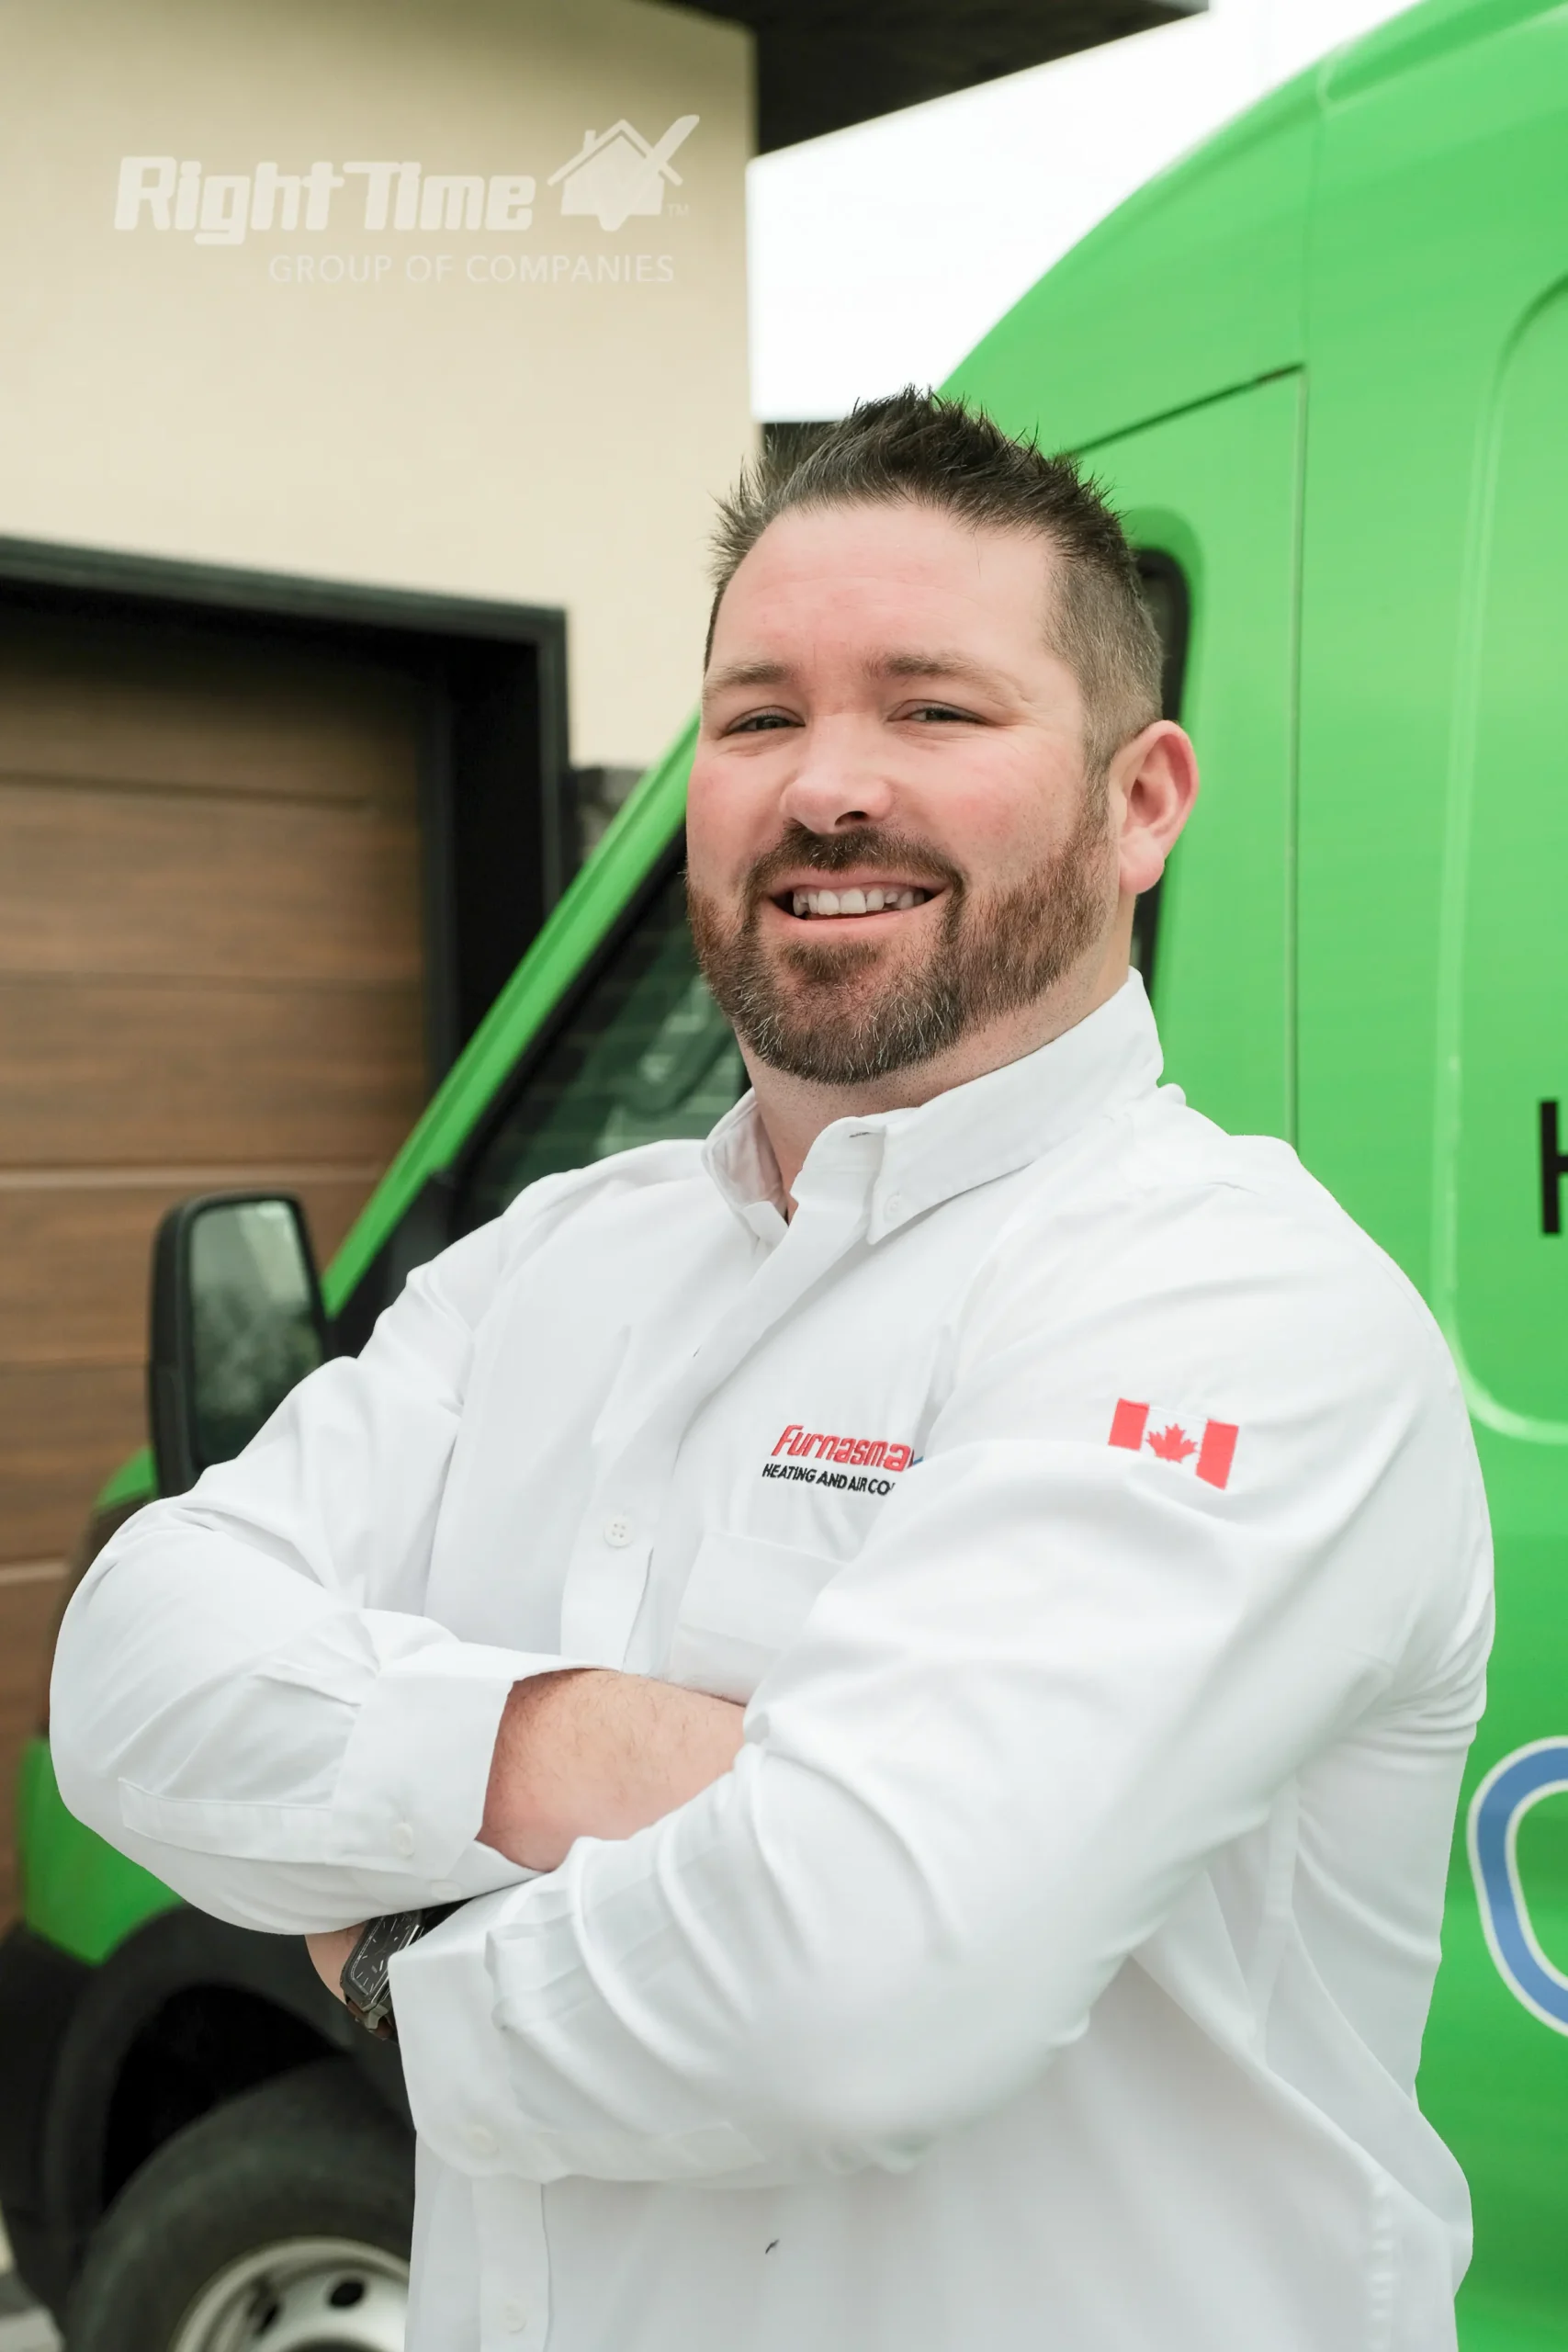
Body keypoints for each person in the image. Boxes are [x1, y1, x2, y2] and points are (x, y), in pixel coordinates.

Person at [51, 390, 1493, 2352]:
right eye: (755, 716)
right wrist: (580, 1744)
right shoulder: (556, 1257)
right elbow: (129, 1664)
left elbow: (853, 1980)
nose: (828, 784)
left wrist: (398, 1943)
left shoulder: (1230, 1301)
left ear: (1140, 799)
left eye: (935, 708)